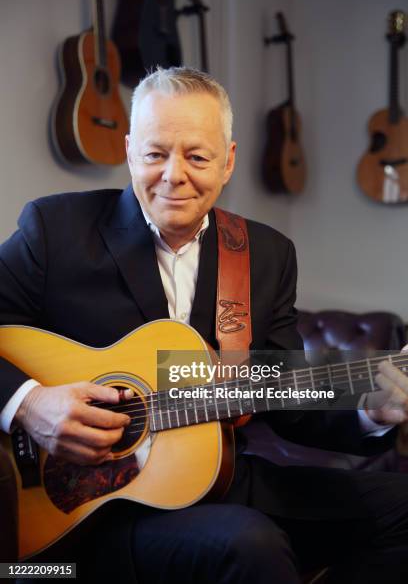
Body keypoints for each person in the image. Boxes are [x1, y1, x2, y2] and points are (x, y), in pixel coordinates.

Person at [1, 67, 408, 584]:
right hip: (85, 516)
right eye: (155, 153)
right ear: (129, 151)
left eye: (196, 156)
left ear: (228, 161)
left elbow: (282, 391)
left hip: (216, 482)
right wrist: (30, 404)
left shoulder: (265, 254)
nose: (174, 174)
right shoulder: (55, 232)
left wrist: (370, 410)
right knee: (247, 545)